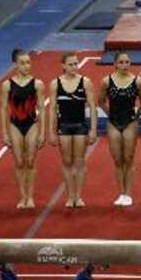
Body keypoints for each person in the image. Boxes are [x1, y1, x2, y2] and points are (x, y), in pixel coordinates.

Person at [98, 51, 141, 207]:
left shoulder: (138, 82)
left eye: (127, 62)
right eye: (121, 62)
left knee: (129, 158)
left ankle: (128, 193)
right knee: (118, 160)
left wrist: (136, 116)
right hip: (113, 122)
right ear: (115, 64)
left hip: (130, 121)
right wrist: (109, 114)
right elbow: (101, 101)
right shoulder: (106, 82)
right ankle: (121, 193)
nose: (125, 65)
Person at [49, 52, 98, 208]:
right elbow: (51, 109)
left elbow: (92, 107)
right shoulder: (55, 84)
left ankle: (78, 195)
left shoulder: (85, 82)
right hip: (63, 125)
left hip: (80, 125)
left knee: (79, 162)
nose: (74, 67)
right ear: (63, 66)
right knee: (67, 161)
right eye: (70, 64)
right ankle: (70, 196)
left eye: (76, 64)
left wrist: (93, 129)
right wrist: (51, 131)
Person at [1, 49, 46, 209]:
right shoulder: (7, 85)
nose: (26, 66)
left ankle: (31, 196)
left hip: (31, 124)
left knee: (31, 161)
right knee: (19, 162)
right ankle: (23, 196)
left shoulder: (37, 84)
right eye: (22, 63)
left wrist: (42, 132)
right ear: (15, 64)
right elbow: (3, 109)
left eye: (28, 62)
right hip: (15, 125)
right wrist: (5, 133)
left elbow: (42, 108)